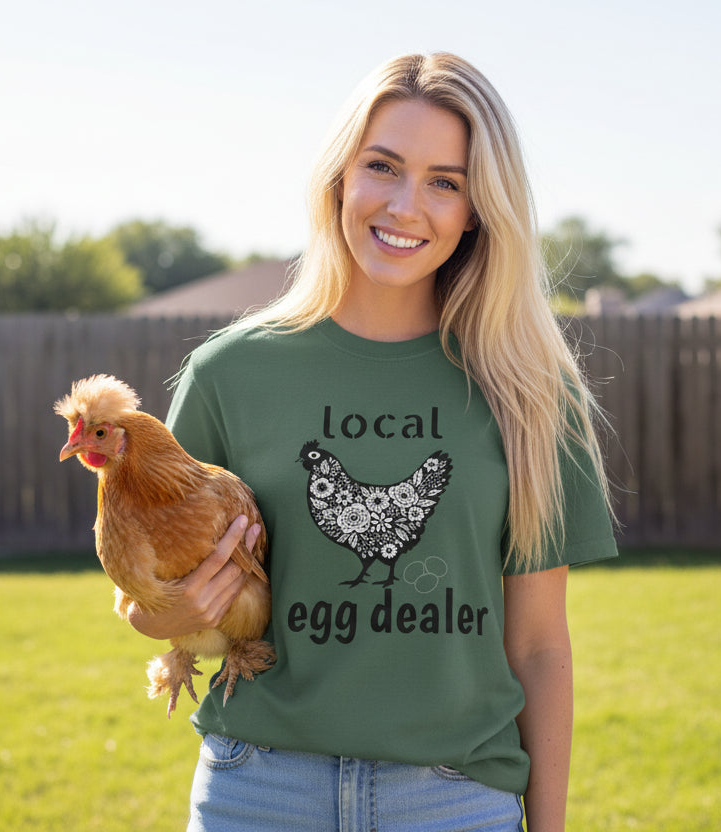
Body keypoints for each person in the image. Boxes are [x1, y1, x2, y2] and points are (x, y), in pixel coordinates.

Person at [128, 51, 618, 832]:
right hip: (261, 792)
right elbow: (147, 606)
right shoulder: (231, 373)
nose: (405, 205)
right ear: (341, 179)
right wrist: (170, 610)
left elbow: (539, 647)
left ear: (477, 209)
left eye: (445, 181)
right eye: (383, 166)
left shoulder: (530, 392)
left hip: (455, 797)